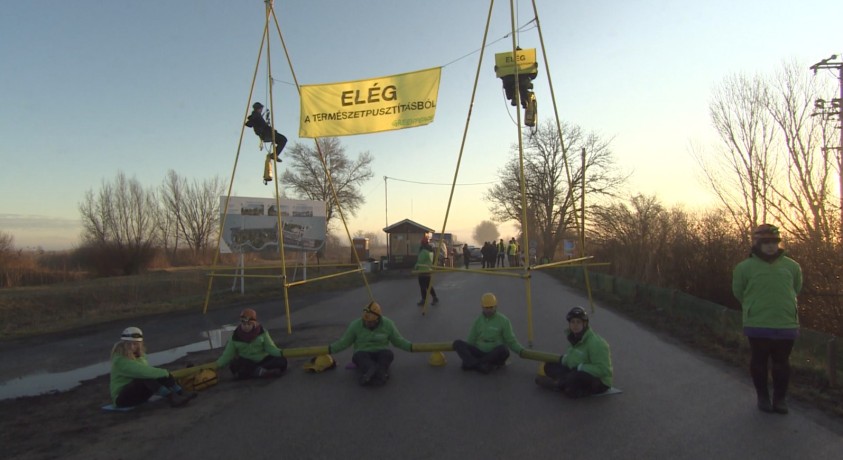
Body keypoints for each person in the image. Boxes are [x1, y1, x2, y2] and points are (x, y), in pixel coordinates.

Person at [732, 224, 802, 414]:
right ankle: (763, 397)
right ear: (757, 243)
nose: (771, 246)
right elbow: (739, 292)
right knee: (759, 361)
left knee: (782, 363)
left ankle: (780, 400)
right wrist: (754, 307)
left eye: (774, 242)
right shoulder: (744, 267)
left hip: (785, 322)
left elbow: (796, 288)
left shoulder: (792, 266)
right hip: (757, 323)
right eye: (766, 242)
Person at [328, 302, 414, 386]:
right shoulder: (355, 325)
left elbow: (398, 341)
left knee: (388, 354)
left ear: (378, 319)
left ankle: (373, 373)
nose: (367, 323)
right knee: (359, 357)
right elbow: (344, 342)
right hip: (362, 352)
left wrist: (412, 347)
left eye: (371, 322)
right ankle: (378, 372)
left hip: (380, 351)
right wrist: (329, 349)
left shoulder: (388, 324)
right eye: (365, 321)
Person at [109, 327, 197, 408]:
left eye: (135, 344)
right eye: (129, 344)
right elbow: (142, 372)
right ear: (124, 344)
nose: (132, 347)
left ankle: (180, 392)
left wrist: (163, 374)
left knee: (155, 374)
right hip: (121, 400)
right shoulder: (120, 360)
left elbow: (148, 371)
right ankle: (171, 398)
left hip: (137, 395)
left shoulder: (139, 357)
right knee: (147, 376)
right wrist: (164, 372)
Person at [535, 307, 613, 398]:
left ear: (585, 324)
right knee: (549, 366)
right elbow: (573, 359)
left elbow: (603, 370)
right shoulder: (574, 337)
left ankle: (559, 385)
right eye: (572, 322)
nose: (575, 325)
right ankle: (564, 383)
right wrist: (562, 360)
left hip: (599, 381)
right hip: (577, 371)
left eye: (578, 322)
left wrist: (581, 367)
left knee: (574, 378)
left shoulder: (596, 343)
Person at [453, 293, 525, 374]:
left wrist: (521, 351)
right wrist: (467, 351)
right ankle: (481, 365)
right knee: (457, 343)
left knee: (504, 349)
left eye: (491, 307)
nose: (489, 310)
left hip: (494, 354)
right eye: (486, 307)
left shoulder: (504, 320)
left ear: (496, 306)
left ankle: (472, 364)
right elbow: (471, 340)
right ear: (482, 307)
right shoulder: (478, 321)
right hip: (480, 351)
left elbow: (511, 341)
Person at [215, 308, 288, 379]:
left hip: (263, 361)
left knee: (281, 360)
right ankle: (262, 372)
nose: (246, 326)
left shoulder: (262, 332)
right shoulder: (235, 337)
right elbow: (227, 355)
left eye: (249, 324)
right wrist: (216, 365)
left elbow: (271, 348)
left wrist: (281, 353)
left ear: (254, 323)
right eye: (244, 324)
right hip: (247, 362)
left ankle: (257, 372)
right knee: (235, 364)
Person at [415, 236, 439, 306]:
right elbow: (432, 260)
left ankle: (424, 300)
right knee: (428, 286)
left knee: (423, 286)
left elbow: (420, 260)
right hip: (428, 270)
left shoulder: (423, 251)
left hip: (422, 271)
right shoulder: (431, 250)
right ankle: (434, 297)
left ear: (422, 243)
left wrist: (416, 266)